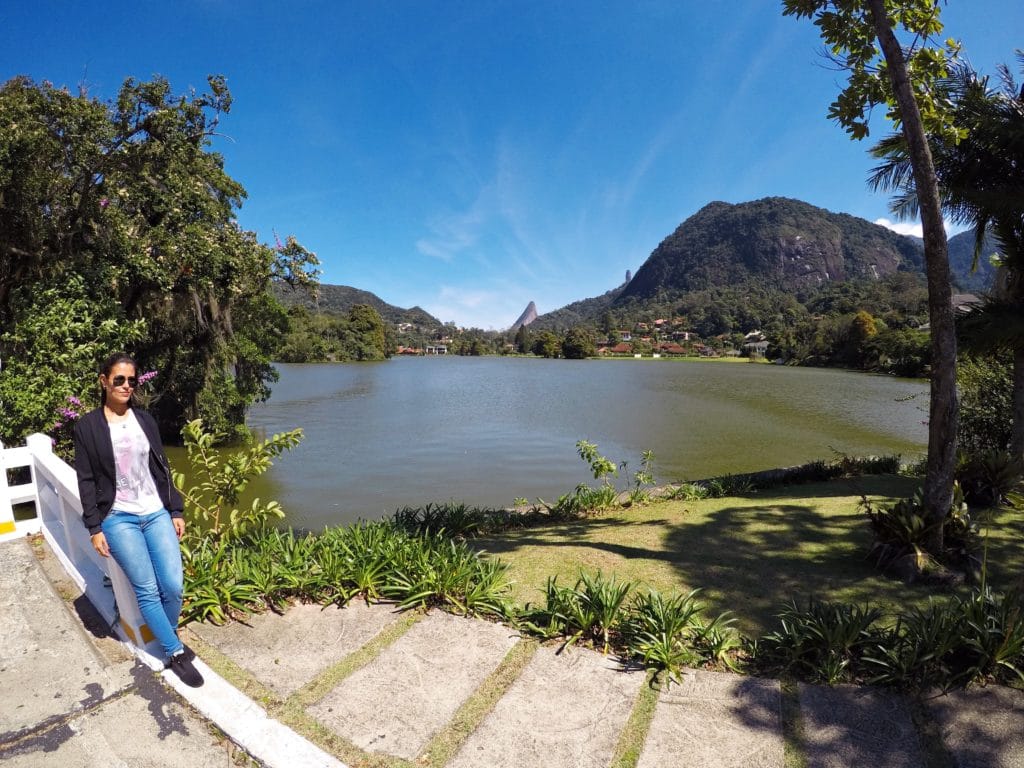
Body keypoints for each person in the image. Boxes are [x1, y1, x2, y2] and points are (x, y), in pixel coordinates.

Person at [73, 352, 203, 687]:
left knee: (173, 585)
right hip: (118, 517)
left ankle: (165, 631)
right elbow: (86, 480)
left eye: (132, 380)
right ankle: (174, 651)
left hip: (155, 511)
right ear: (104, 381)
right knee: (146, 587)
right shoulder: (87, 427)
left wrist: (175, 509)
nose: (126, 385)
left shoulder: (145, 420)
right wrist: (94, 528)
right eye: (119, 379)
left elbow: (162, 468)